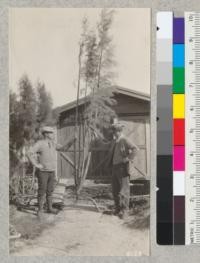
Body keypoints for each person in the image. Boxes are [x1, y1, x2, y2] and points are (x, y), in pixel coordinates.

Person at [28, 126, 76, 218]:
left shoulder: (53, 143)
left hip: (51, 171)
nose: (53, 134)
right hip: (43, 172)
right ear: (46, 134)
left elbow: (64, 149)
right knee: (42, 191)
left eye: (53, 132)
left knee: (50, 191)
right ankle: (40, 210)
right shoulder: (40, 143)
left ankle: (49, 208)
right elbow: (29, 153)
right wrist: (36, 164)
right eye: (51, 133)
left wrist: (72, 141)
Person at [111, 122, 139, 219]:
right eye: (113, 131)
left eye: (114, 132)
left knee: (124, 190)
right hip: (115, 168)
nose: (113, 133)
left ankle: (125, 211)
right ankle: (118, 209)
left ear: (118, 131)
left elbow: (135, 149)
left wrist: (127, 158)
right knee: (115, 190)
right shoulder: (116, 141)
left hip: (123, 168)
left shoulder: (124, 140)